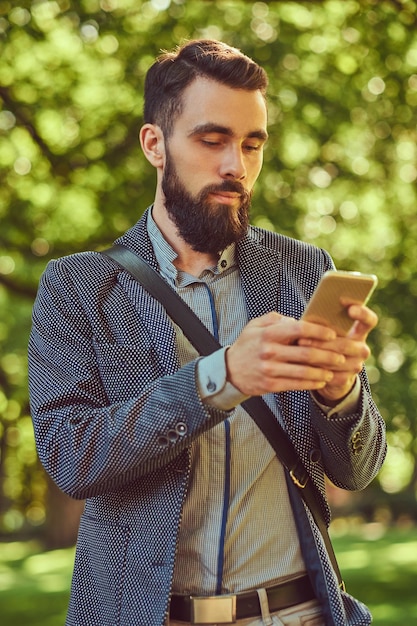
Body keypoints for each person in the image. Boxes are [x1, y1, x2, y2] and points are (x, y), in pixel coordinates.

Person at [28, 39, 386, 626]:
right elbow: (70, 459)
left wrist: (340, 393)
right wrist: (220, 378)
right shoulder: (78, 285)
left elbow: (357, 470)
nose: (235, 167)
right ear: (155, 145)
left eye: (251, 144)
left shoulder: (303, 270)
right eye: (211, 140)